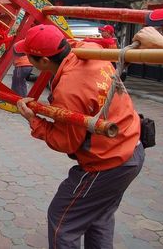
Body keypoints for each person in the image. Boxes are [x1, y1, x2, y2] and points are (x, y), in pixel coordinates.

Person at [14, 24, 144, 249]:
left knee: (62, 222)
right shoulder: (88, 48)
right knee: (98, 218)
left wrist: (34, 120)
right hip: (133, 149)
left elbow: (67, 142)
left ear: (44, 62)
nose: (27, 60)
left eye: (30, 57)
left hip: (107, 163)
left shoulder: (69, 90)